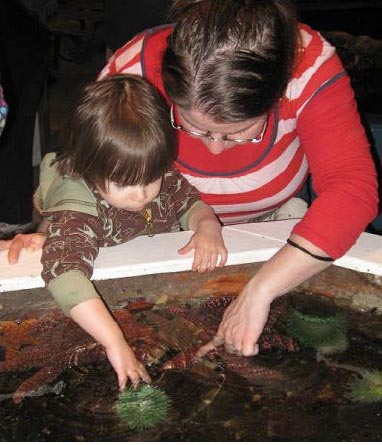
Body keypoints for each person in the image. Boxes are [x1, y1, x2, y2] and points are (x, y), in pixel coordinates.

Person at [3, 0, 379, 359]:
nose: (215, 150)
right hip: (156, 232)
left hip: (272, 230)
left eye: (239, 133)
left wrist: (260, 290)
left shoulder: (308, 66)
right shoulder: (135, 70)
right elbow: (86, 170)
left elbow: (352, 189)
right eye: (194, 127)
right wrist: (60, 225)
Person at [1, 74, 227, 390]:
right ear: (91, 169)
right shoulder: (79, 203)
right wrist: (114, 341)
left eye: (151, 178)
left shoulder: (149, 168)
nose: (141, 194)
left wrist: (207, 225)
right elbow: (65, 274)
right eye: (124, 184)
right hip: (87, 289)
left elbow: (190, 203)